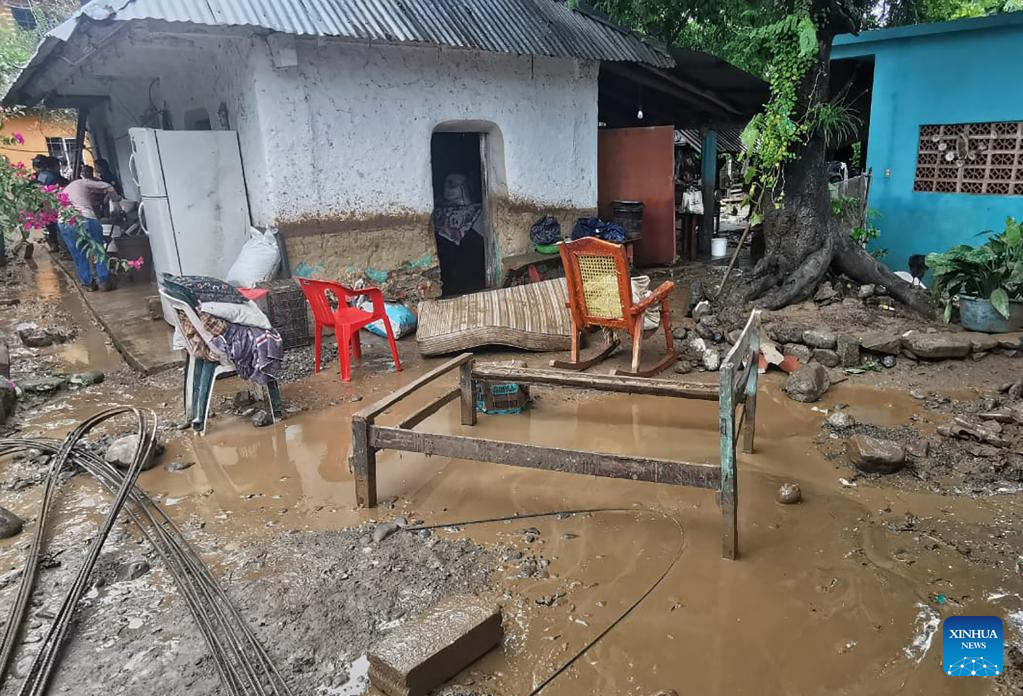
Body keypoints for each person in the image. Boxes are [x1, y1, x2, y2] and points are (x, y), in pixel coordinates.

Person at [60, 177, 121, 291]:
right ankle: (104, 280)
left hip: (65, 222)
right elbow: (109, 186)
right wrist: (116, 203)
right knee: (98, 249)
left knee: (78, 253)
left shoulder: (67, 190)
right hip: (85, 217)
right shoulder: (84, 183)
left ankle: (88, 283)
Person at [33, 155, 68, 252]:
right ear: (55, 166)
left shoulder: (43, 175)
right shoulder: (50, 176)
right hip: (53, 203)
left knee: (52, 226)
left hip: (47, 204)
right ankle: (64, 249)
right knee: (58, 226)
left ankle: (56, 245)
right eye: (58, 165)